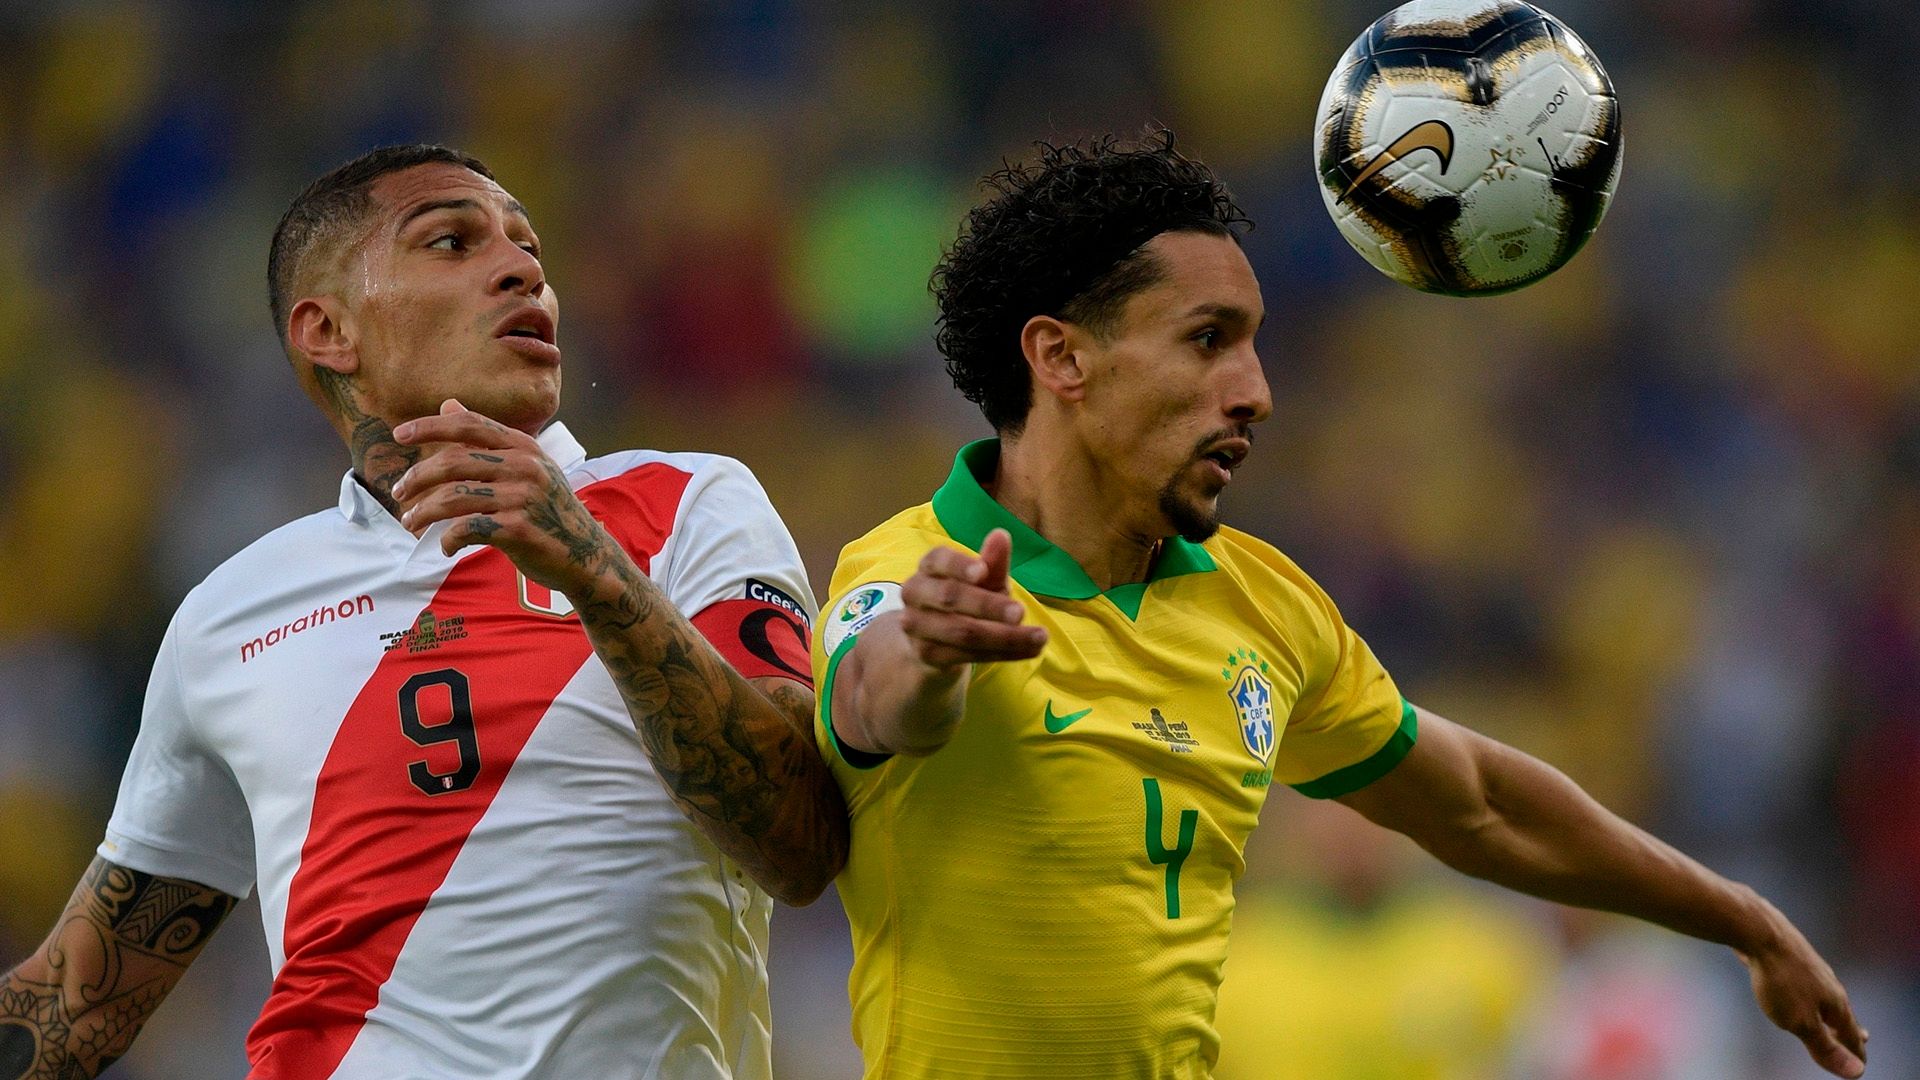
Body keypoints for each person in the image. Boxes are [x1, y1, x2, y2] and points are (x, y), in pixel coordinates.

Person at [811, 132, 1869, 1080]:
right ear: (1061, 358)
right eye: (1208, 339)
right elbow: (878, 698)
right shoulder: (909, 570)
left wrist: (1742, 920)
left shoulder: (1264, 605)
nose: (1257, 390)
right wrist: (936, 650)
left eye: (1256, 342)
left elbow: (1478, 804)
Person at [0, 144, 845, 1080]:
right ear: (327, 332)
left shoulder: (686, 503)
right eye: (452, 241)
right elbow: (82, 1000)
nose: (524, 268)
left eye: (528, 247)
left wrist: (597, 574)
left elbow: (799, 840)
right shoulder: (228, 615)